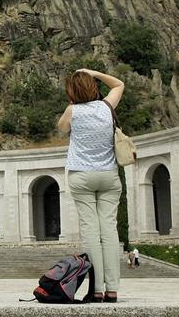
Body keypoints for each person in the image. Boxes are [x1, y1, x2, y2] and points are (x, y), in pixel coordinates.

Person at [57, 68, 125, 303]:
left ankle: (96, 289)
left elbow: (61, 128)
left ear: (72, 92)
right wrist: (92, 72)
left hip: (82, 176)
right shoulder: (107, 107)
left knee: (91, 232)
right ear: (94, 87)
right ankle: (113, 289)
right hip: (108, 175)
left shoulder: (72, 111)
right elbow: (119, 85)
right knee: (109, 230)